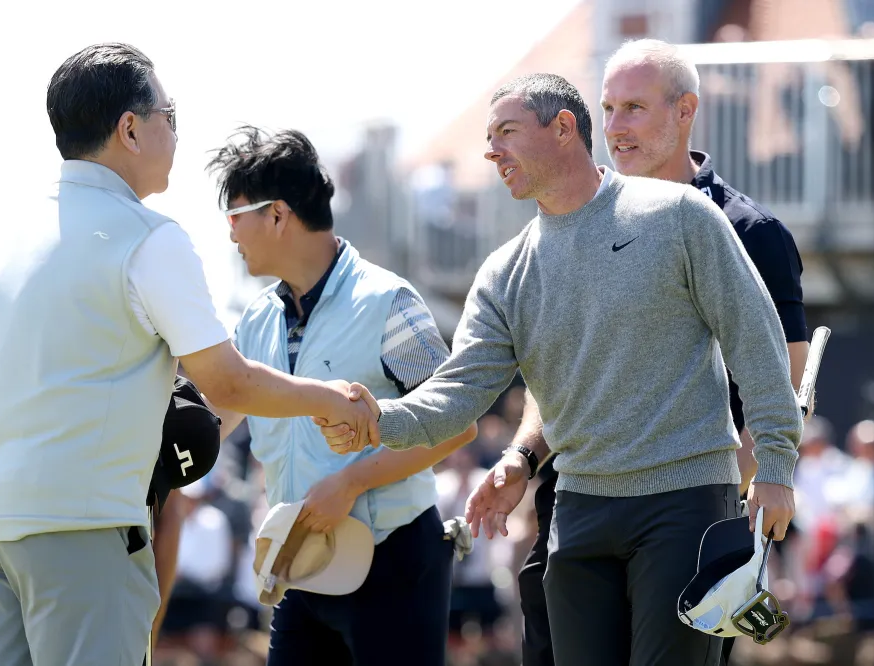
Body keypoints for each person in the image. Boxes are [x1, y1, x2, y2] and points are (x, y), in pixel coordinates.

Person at [318, 72, 802, 666]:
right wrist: (377, 421)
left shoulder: (680, 214)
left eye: (507, 132)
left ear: (564, 128)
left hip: (686, 501)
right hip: (577, 511)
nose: (492, 151)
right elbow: (457, 390)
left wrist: (775, 464)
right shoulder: (503, 272)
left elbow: (757, 341)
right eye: (489, 138)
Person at [0, 43, 376, 666]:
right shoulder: (148, 238)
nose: (174, 130)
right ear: (130, 129)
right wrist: (328, 398)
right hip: (80, 527)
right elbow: (227, 383)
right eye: (169, 115)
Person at [501, 38, 812, 665]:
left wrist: (733, 490)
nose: (615, 128)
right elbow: (555, 368)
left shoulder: (751, 232)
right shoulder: (575, 218)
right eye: (608, 109)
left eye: (635, 108)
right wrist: (524, 455)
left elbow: (783, 372)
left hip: (686, 512)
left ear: (685, 110)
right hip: (575, 505)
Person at [204, 125, 478, 666]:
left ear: (277, 215)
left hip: (396, 562)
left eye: (235, 216)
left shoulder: (388, 300)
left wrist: (352, 482)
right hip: (301, 565)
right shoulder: (255, 320)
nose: (230, 234)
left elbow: (457, 424)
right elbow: (214, 419)